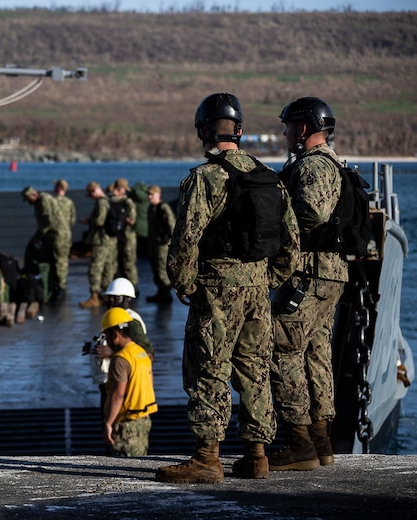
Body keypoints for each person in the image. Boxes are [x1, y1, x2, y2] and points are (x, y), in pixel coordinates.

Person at [155, 92, 299, 483]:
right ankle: (257, 456)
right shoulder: (269, 176)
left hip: (217, 287)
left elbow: (185, 239)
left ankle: (207, 458)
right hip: (257, 288)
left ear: (204, 131)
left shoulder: (206, 178)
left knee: (209, 368)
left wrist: (184, 282)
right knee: (254, 368)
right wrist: (269, 279)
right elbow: (291, 242)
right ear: (239, 131)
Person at [269, 97, 347, 471]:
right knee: (317, 354)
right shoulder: (334, 163)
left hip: (308, 273)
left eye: (288, 127)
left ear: (302, 128)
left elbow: (311, 213)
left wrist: (274, 235)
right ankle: (321, 440)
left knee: (284, 349)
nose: (284, 133)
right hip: (327, 274)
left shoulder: (314, 166)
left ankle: (299, 442)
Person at [87, 277, 155, 417]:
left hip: (121, 383)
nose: (111, 301)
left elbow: (146, 354)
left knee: (114, 421)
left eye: (116, 298)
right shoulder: (114, 317)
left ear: (127, 300)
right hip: (108, 381)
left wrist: (111, 352)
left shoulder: (131, 321)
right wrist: (94, 346)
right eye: (110, 297)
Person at [100, 307, 158, 457]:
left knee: (123, 467)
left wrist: (108, 423)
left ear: (115, 334)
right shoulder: (140, 352)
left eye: (106, 335)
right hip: (143, 420)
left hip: (127, 424)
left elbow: (118, 395)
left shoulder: (120, 359)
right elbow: (149, 381)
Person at [21, 185, 67, 301]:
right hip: (51, 235)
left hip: (58, 234)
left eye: (29, 199)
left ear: (34, 194)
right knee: (52, 260)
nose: (29, 202)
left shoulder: (44, 200)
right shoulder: (39, 202)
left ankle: (61, 288)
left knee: (59, 261)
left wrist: (39, 235)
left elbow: (48, 221)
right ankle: (53, 286)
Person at [79, 181, 117, 308]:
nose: (91, 198)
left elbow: (99, 221)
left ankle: (94, 296)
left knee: (95, 268)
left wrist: (88, 221)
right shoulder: (110, 199)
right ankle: (107, 296)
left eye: (91, 195)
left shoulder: (101, 202)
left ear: (94, 191)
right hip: (110, 240)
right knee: (108, 268)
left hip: (101, 241)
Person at [145, 184, 176, 304]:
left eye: (151, 194)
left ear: (158, 194)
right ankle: (160, 291)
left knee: (162, 269)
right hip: (154, 243)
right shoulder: (151, 208)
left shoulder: (163, 207)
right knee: (155, 269)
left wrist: (168, 239)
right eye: (148, 194)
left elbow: (171, 225)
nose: (149, 197)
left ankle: (166, 293)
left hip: (162, 244)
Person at [110, 178, 139, 287]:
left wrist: (121, 217)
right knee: (119, 262)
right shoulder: (114, 200)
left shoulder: (127, 202)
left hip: (128, 236)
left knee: (129, 263)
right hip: (119, 236)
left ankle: (133, 286)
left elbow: (132, 220)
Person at [53, 179, 75, 300]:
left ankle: (58, 284)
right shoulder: (69, 202)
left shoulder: (54, 202)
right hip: (66, 234)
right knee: (64, 260)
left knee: (56, 259)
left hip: (56, 234)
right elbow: (72, 220)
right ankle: (63, 282)